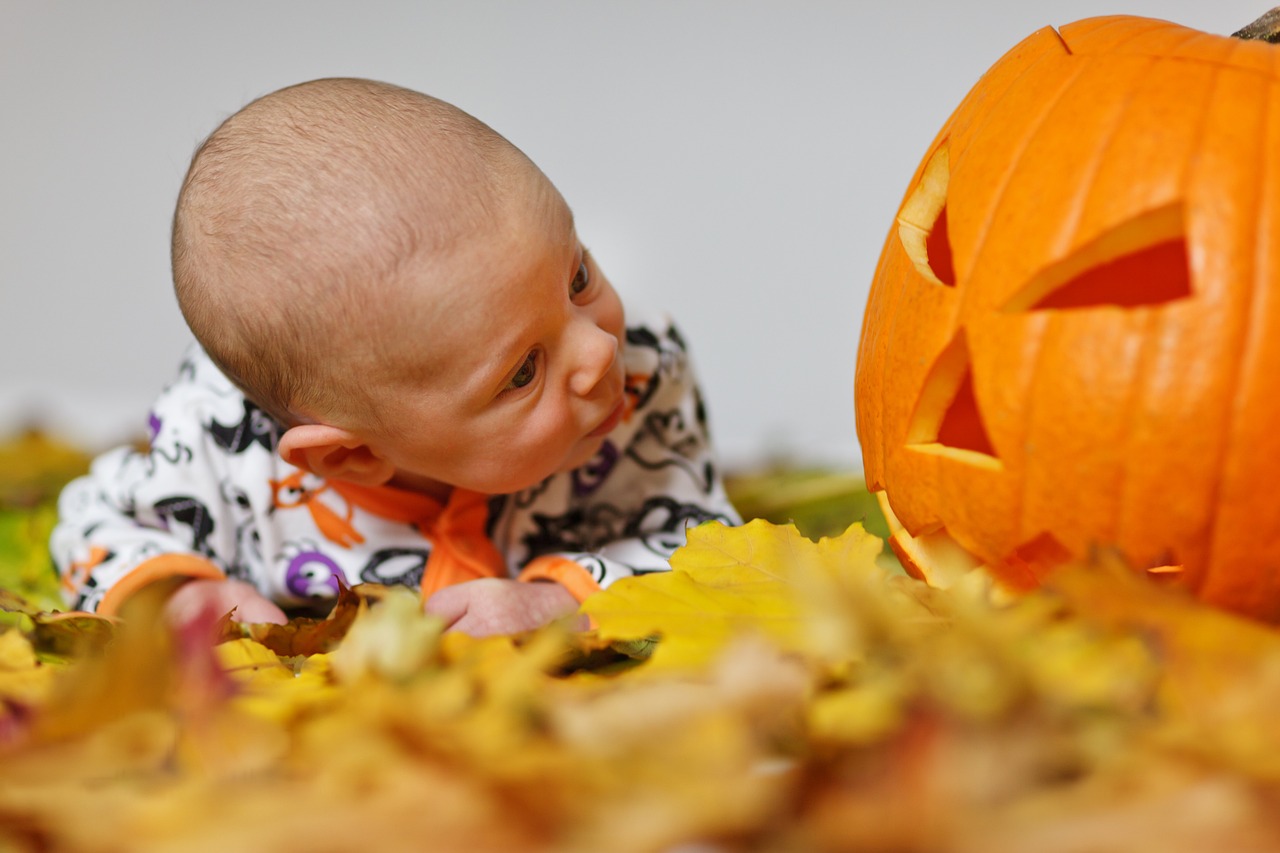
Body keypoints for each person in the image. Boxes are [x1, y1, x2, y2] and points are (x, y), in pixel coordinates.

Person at [51, 78, 739, 637]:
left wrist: (559, 602)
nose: (598, 351)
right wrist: (180, 593)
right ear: (351, 456)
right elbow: (94, 527)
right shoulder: (219, 447)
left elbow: (703, 542)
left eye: (577, 277)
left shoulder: (642, 377)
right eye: (523, 371)